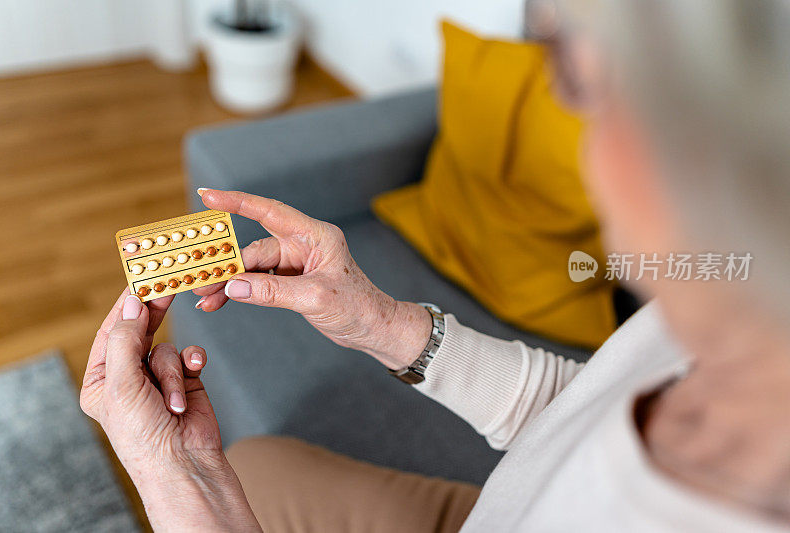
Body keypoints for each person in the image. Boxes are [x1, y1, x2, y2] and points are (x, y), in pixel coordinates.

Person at [81, 0, 790, 531]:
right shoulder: (718, 307)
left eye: (578, 80)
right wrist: (382, 322)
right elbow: (584, 408)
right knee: (259, 461)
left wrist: (171, 482)